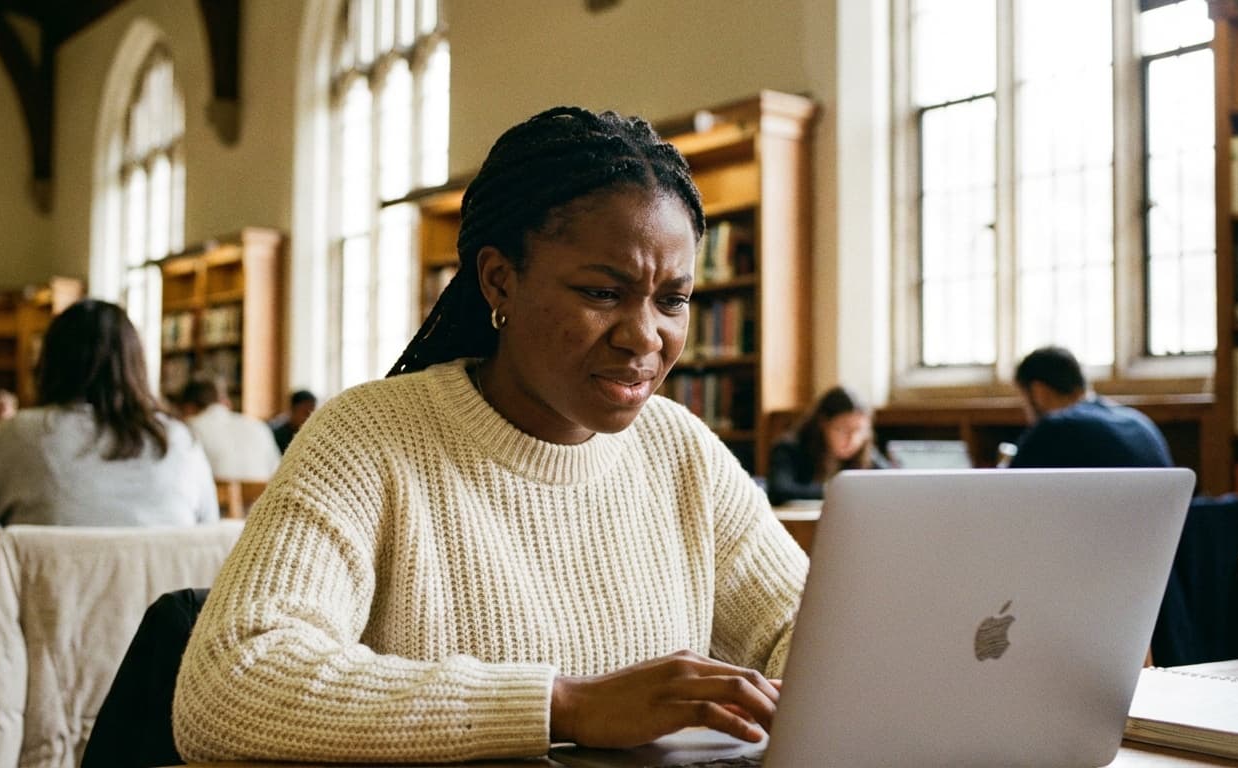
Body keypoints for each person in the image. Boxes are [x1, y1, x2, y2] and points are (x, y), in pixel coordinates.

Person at [173, 107, 810, 763]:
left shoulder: (679, 447)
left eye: (672, 300)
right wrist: (563, 705)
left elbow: (809, 632)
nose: (645, 336)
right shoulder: (368, 438)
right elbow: (230, 684)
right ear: (499, 279)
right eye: (600, 291)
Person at [0, 300, 219, 565]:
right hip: (168, 632)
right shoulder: (181, 442)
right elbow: (209, 547)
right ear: (137, 365)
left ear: (49, 363)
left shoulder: (20, 436)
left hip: (47, 630)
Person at [1009, 346, 1172, 469]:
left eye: (1023, 400)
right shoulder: (1139, 421)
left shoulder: (1054, 428)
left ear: (1039, 392)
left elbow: (1008, 493)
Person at [766, 385, 887, 505]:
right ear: (823, 424)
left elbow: (892, 483)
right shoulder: (789, 449)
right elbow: (779, 491)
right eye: (843, 429)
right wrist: (838, 491)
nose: (852, 439)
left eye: (860, 430)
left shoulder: (866, 454)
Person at [179, 374, 282, 481]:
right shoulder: (258, 425)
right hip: (261, 495)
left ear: (188, 407)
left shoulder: (190, 427)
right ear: (223, 401)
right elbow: (277, 473)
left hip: (220, 496)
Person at [268, 389, 317, 453]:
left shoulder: (314, 436)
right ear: (293, 410)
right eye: (305, 413)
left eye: (312, 413)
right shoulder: (278, 437)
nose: (309, 418)